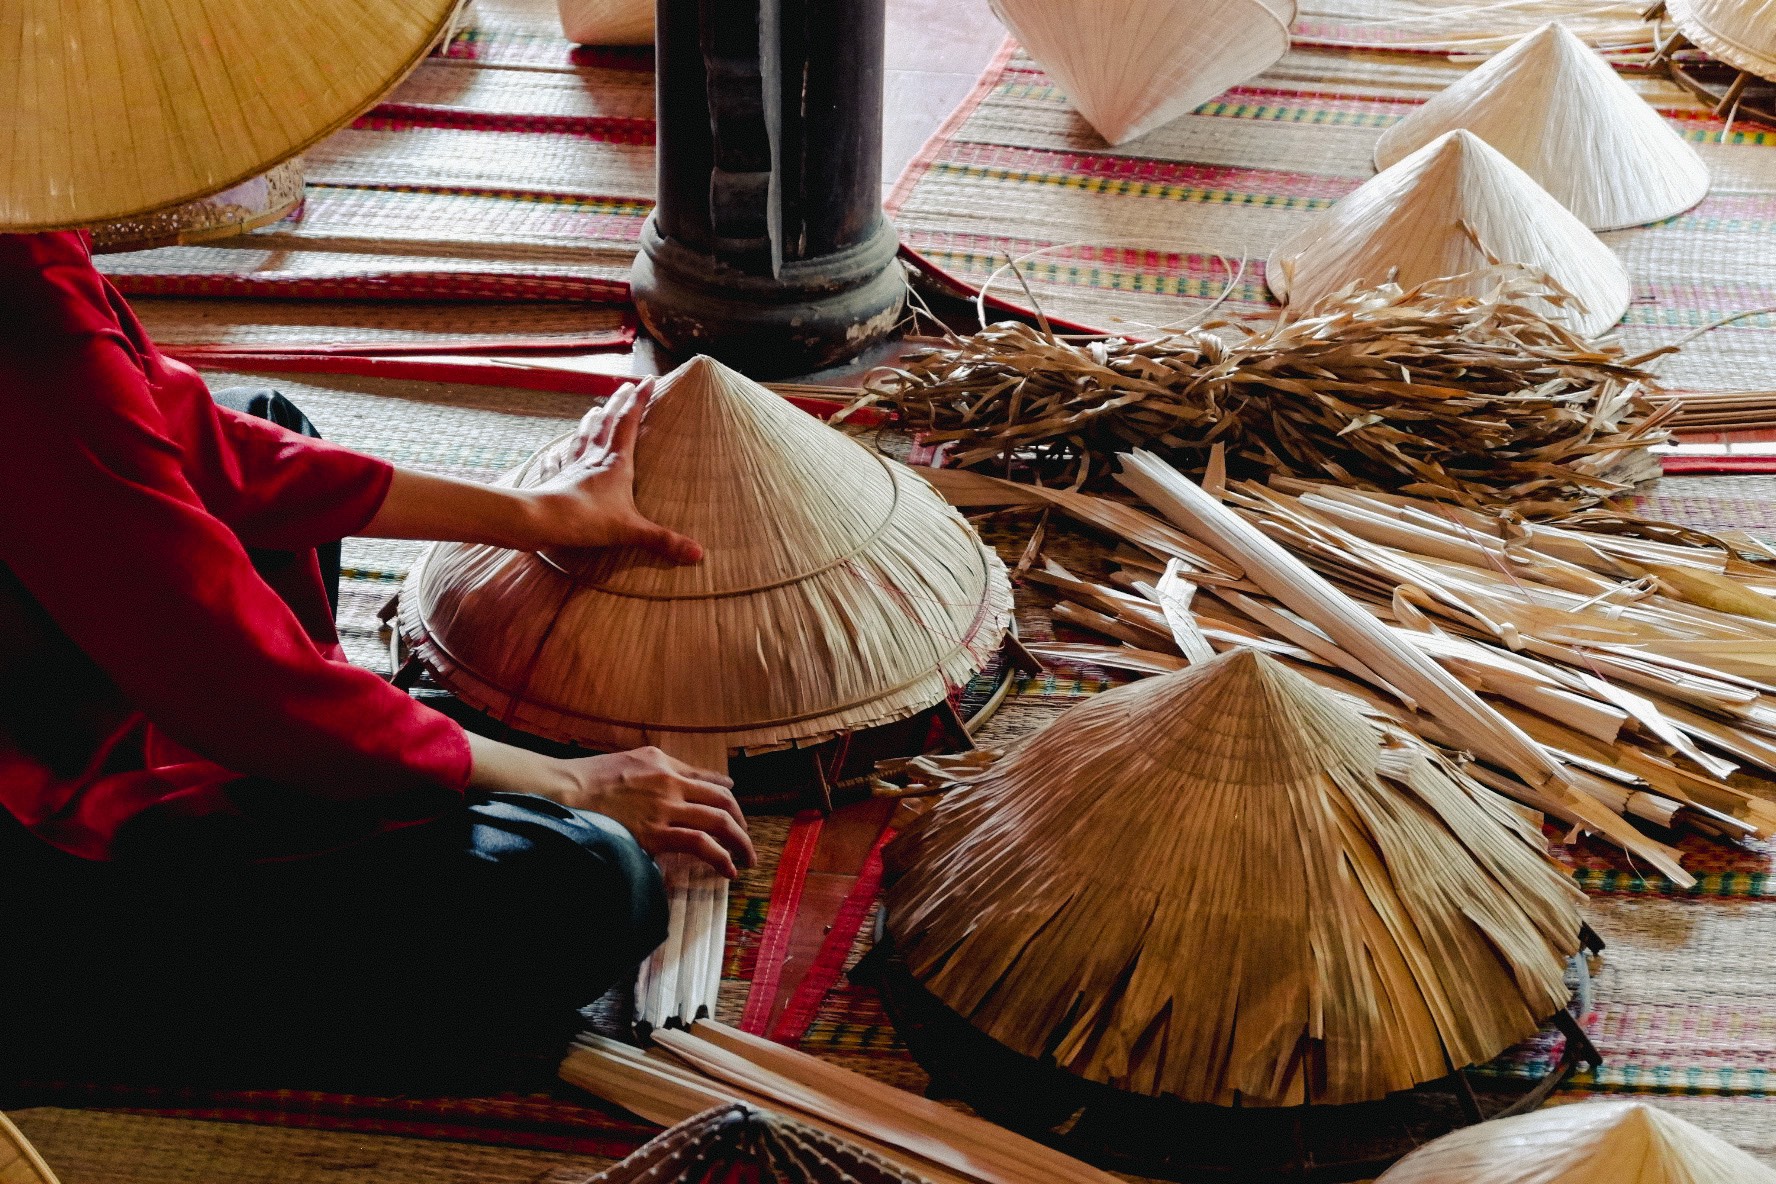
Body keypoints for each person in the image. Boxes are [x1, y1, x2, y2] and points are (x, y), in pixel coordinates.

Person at [0, 230, 755, 1089]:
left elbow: (187, 443)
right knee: (581, 883)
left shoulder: (24, 239)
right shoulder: (14, 298)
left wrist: (538, 514)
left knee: (276, 421)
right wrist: (568, 782)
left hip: (73, 669)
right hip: (28, 830)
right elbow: (225, 674)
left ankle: (344, 769)